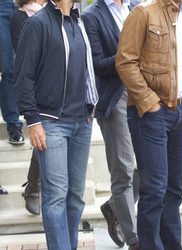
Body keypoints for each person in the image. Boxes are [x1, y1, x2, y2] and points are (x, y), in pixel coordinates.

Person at [116, 0, 182, 249]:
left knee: (174, 189)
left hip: (181, 113)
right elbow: (125, 61)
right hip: (151, 115)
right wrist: (149, 102)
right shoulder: (143, 12)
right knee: (154, 191)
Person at [14, 0, 98, 248]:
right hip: (51, 123)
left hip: (81, 121)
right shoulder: (37, 24)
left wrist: (91, 109)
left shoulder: (79, 22)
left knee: (75, 197)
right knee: (55, 197)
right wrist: (32, 119)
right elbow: (23, 76)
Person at [82, 0, 139, 249]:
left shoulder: (137, 7)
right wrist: (130, 55)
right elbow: (96, 64)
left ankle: (115, 207)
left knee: (150, 168)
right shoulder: (91, 16)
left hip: (145, 95)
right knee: (124, 169)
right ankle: (134, 238)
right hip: (115, 98)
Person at [10, 0, 47, 216]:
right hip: (35, 86)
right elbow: (22, 54)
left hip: (58, 85)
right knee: (44, 136)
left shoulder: (57, 12)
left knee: (49, 136)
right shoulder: (19, 17)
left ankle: (34, 186)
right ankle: (33, 188)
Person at [0, 0, 24, 145]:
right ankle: (14, 123)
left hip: (20, 5)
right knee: (7, 67)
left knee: (11, 67)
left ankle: (14, 123)